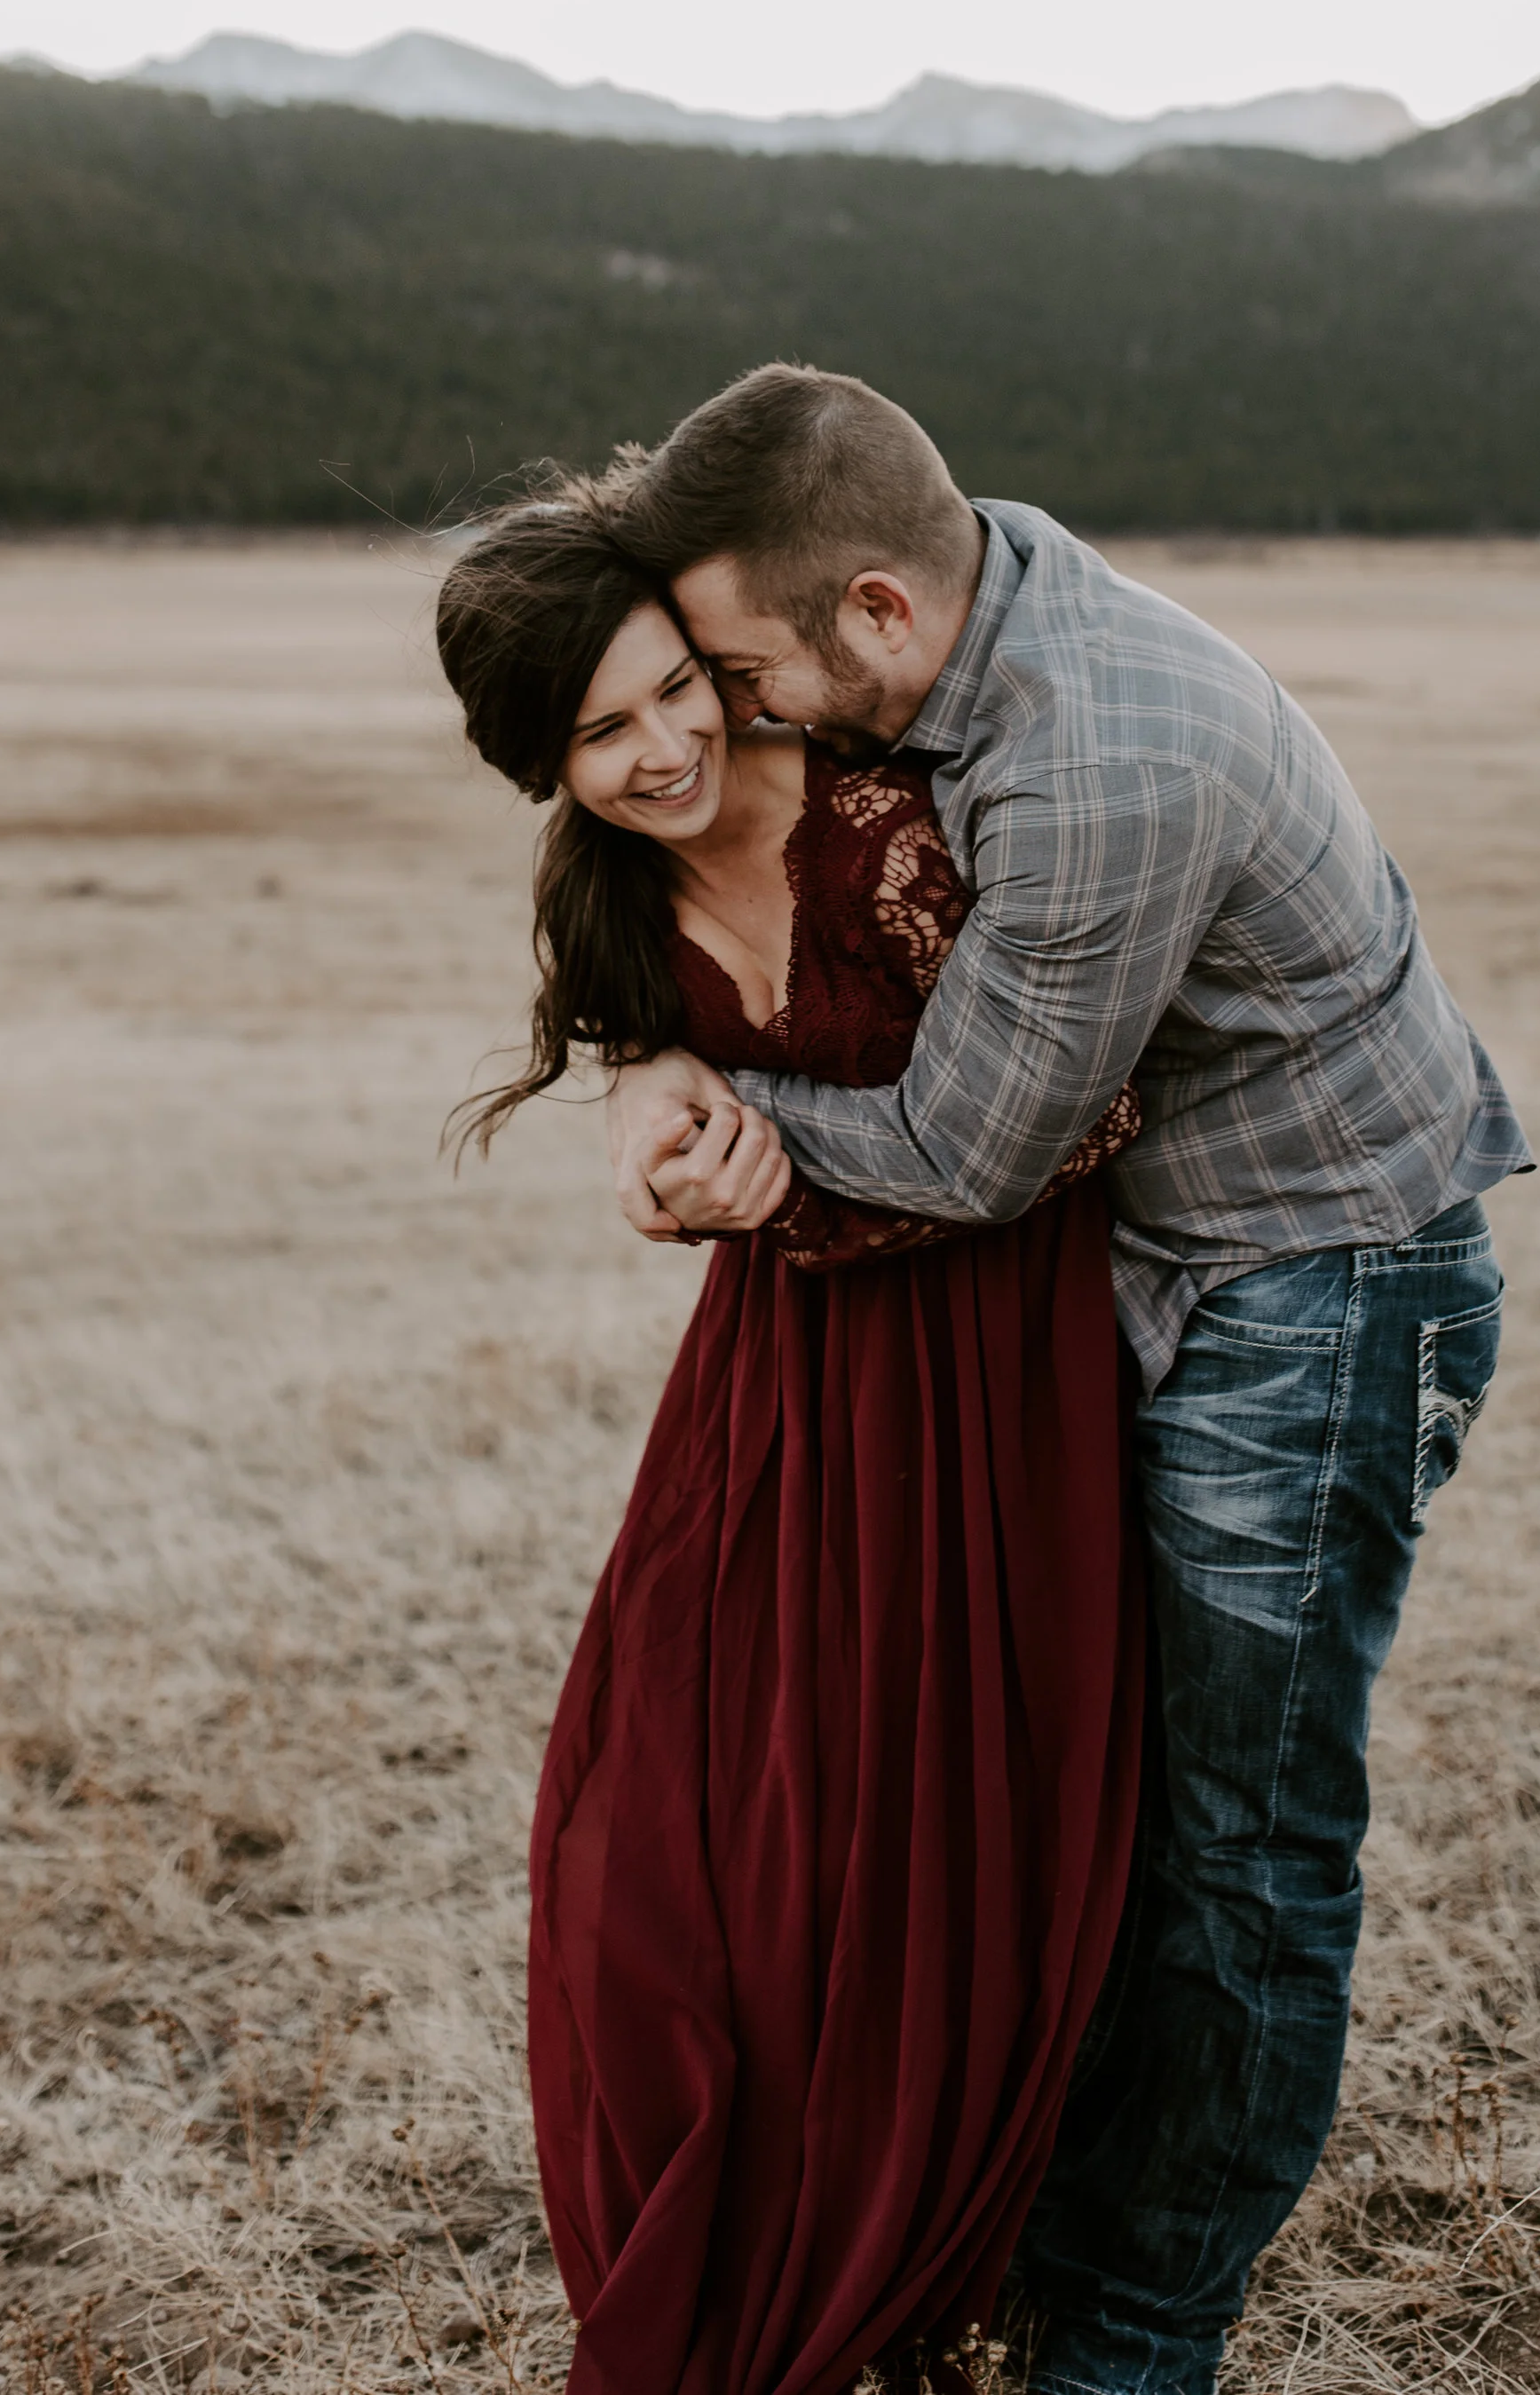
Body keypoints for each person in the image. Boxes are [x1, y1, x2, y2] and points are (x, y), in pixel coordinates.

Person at [603, 366, 1532, 2395]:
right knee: (1091, 1791)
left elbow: (962, 1150)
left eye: (746, 667)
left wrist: (711, 1121)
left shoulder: (1098, 751)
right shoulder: (963, 594)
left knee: (1237, 1850)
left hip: (1315, 1284)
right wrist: (646, 1039)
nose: (735, 711)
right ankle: (1029, 2234)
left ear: (869, 609)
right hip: (1173, 1265)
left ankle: (1130, 2335)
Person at [434, 494, 1144, 2395]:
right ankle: (698, 2256)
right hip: (772, 1388)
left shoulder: (888, 811)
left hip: (996, 1378)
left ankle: (888, 2278)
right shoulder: (606, 900)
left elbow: (1077, 1111)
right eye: (601, 732)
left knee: (922, 1841)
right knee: (644, 1830)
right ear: (541, 764)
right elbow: (639, 1085)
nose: (663, 748)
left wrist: (755, 1137)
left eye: (677, 690)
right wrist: (652, 1141)